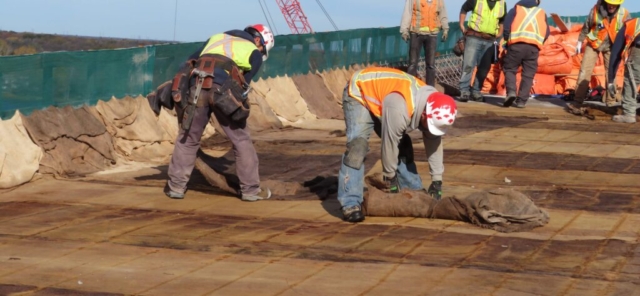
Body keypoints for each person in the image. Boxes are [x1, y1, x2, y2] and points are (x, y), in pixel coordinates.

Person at [164, 24, 275, 201]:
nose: (259, 51)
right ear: (257, 40)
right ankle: (251, 190)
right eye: (262, 48)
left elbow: (190, 61)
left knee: (188, 137)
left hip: (197, 84)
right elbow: (243, 85)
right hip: (223, 88)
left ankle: (176, 187)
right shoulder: (253, 52)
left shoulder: (216, 38)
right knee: (241, 139)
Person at [338, 67, 458, 223]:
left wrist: (437, 180)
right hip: (360, 92)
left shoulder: (434, 106)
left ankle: (413, 189)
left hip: (385, 97)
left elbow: (434, 142)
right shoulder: (400, 107)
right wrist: (390, 176)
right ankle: (350, 203)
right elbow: (389, 142)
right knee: (357, 147)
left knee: (404, 144)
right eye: (429, 125)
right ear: (424, 114)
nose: (430, 129)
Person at [574, 0, 629, 105]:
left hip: (612, 47)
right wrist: (580, 41)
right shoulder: (595, 10)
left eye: (614, 4)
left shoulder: (624, 14)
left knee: (611, 74)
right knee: (585, 71)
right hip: (594, 44)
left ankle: (610, 102)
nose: (611, 6)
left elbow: (628, 33)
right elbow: (587, 26)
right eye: (610, 3)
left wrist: (626, 50)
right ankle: (577, 100)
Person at [502, 0, 549, 108]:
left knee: (510, 69)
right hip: (533, 48)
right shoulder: (541, 13)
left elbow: (507, 25)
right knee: (528, 75)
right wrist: (539, 42)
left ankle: (511, 92)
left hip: (516, 45)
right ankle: (521, 101)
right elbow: (547, 33)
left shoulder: (516, 9)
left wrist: (507, 40)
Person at [458, 0, 508, 102]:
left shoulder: (502, 3)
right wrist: (461, 24)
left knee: (484, 68)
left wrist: (500, 32)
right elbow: (464, 8)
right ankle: (464, 91)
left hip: (490, 40)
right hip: (474, 37)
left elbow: (502, 20)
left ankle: (476, 91)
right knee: (468, 65)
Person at [400, 0, 450, 85]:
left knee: (431, 65)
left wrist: (445, 28)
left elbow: (443, 14)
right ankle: (410, 87)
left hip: (432, 34)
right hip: (416, 33)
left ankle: (430, 90)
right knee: (412, 64)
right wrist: (404, 30)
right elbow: (407, 13)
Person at [607, 18, 640, 123]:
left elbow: (616, 54)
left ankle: (629, 114)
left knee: (632, 80)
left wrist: (611, 80)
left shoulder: (630, 25)